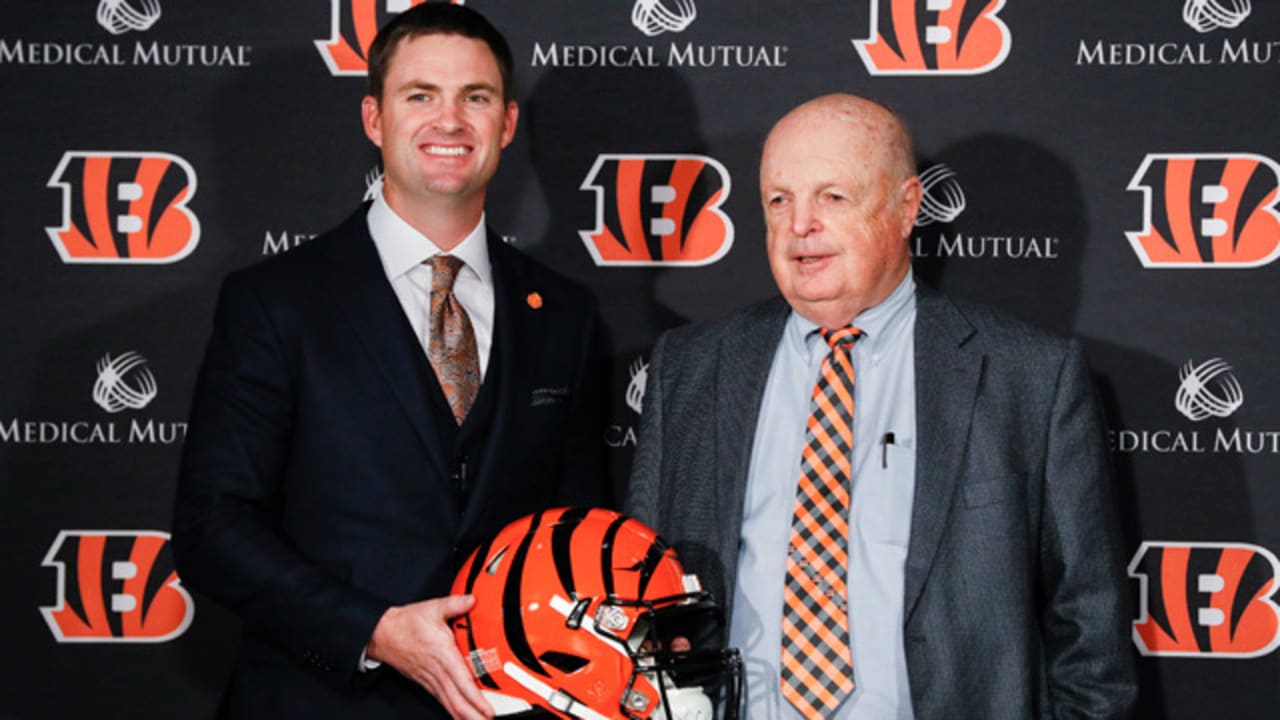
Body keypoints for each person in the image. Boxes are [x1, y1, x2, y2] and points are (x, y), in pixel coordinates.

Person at [625, 94, 1137, 719]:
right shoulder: (691, 366)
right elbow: (635, 587)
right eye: (778, 200)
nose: (800, 225)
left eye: (833, 197)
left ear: (906, 207)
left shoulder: (1027, 375)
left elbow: (1090, 634)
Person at [172, 5, 606, 719]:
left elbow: (576, 531)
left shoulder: (565, 314)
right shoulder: (275, 302)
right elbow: (213, 526)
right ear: (374, 119)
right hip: (321, 701)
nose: (450, 120)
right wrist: (375, 629)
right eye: (420, 95)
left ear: (507, 123)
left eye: (476, 96)